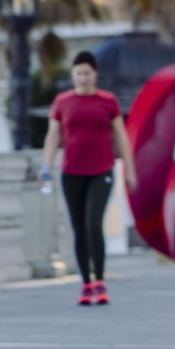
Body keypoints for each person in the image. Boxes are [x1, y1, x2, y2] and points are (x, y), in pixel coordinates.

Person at [43, 51, 137, 306]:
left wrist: (130, 169)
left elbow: (121, 135)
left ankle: (100, 281)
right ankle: (86, 283)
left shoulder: (108, 101)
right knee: (79, 228)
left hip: (101, 170)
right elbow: (53, 136)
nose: (83, 78)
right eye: (78, 74)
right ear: (73, 76)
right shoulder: (62, 102)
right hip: (72, 172)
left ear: (95, 74)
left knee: (94, 223)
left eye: (87, 73)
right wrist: (46, 165)